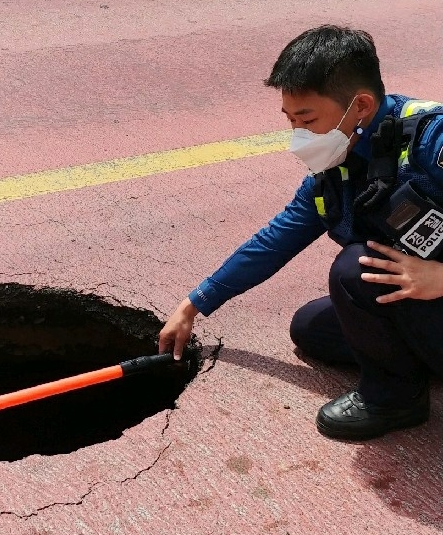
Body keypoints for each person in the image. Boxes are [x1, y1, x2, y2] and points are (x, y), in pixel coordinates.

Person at [158, 25, 443, 441]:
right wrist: (193, 304)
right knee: (313, 328)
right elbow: (276, 239)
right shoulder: (339, 165)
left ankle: (395, 398)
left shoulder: (430, 141)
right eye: (291, 120)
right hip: (421, 297)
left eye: (308, 119)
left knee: (354, 269)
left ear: (360, 105)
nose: (299, 135)